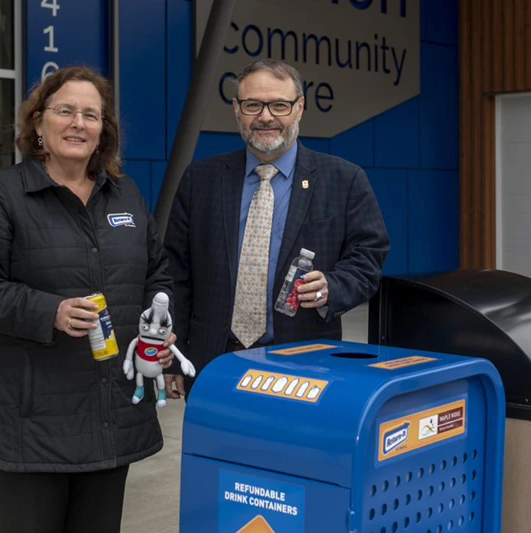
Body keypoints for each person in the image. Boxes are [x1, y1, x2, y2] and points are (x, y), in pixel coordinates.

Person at [0, 66, 175, 533]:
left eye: (91, 115)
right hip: (31, 421)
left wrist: (162, 322)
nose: (78, 123)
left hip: (112, 414)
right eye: (65, 110)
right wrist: (48, 311)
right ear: (38, 124)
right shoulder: (4, 194)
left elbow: (158, 273)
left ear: (103, 132)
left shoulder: (125, 195)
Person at [163, 59, 390, 398]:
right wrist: (173, 357)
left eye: (279, 105)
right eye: (253, 105)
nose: (266, 117)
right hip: (213, 362)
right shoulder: (201, 180)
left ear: (300, 108)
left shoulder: (345, 180)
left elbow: (368, 258)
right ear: (237, 110)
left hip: (305, 362)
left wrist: (333, 286)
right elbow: (175, 274)